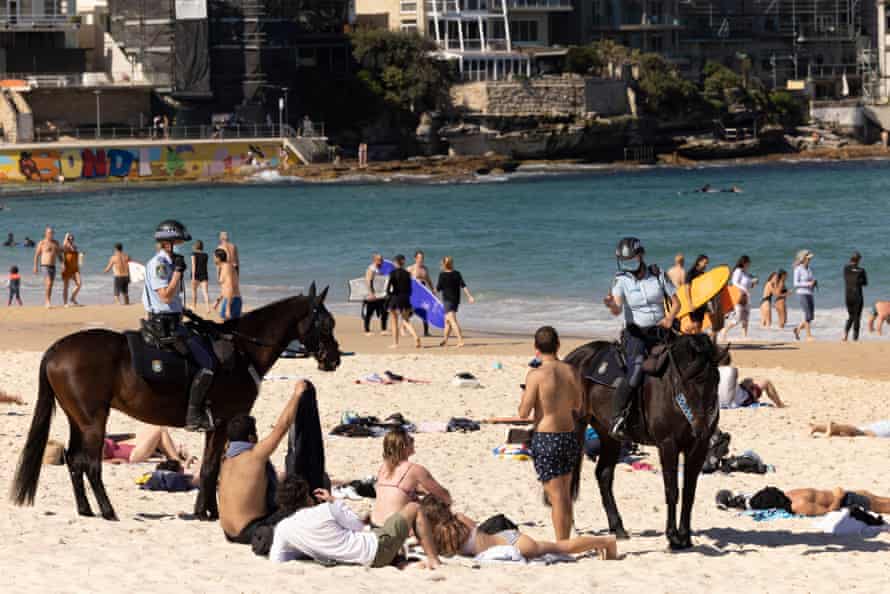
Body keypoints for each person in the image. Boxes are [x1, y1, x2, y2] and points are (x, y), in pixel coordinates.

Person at [220, 380, 324, 544]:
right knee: (297, 503)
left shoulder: (225, 459)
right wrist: (297, 394)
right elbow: (282, 426)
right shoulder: (254, 454)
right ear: (251, 438)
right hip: (251, 531)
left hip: (228, 532)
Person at [269, 475, 442, 569]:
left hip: (354, 561)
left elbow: (277, 559)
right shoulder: (327, 509)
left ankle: (403, 558)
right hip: (376, 550)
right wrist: (334, 501)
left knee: (388, 525)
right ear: (307, 497)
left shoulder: (283, 528)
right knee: (413, 507)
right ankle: (434, 560)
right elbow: (358, 527)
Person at [143, 220, 216, 431]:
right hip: (164, 324)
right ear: (167, 244)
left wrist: (186, 311)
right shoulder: (159, 264)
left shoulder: (167, 263)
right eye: (177, 242)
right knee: (206, 363)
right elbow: (165, 296)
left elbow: (172, 300)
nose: (179, 247)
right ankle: (193, 416)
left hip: (174, 318)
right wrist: (177, 272)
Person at [604, 238, 680, 439]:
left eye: (631, 258)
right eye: (624, 260)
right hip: (635, 334)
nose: (628, 263)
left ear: (641, 256)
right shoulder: (621, 280)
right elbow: (617, 308)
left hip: (660, 331)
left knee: (682, 364)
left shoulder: (658, 274)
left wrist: (670, 318)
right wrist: (610, 304)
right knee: (636, 368)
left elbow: (676, 302)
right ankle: (618, 418)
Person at [519, 326, 583, 540]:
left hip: (547, 437)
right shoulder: (571, 371)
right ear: (558, 345)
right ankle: (565, 542)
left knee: (557, 496)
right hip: (568, 435)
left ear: (536, 348)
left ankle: (562, 544)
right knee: (564, 494)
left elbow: (524, 412)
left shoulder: (536, 375)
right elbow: (577, 404)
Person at [420, 495, 617, 561]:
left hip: (515, 545)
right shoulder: (461, 519)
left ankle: (606, 541)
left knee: (560, 547)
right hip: (507, 537)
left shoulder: (438, 538)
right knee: (559, 546)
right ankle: (602, 542)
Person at [371, 427, 451, 527]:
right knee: (435, 505)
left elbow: (397, 490)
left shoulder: (383, 468)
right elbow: (445, 496)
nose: (414, 442)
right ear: (404, 446)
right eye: (411, 440)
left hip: (375, 525)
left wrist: (417, 490)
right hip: (395, 530)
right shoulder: (415, 469)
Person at [717, 486, 890, 516]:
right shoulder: (798, 506)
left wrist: (735, 504)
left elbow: (750, 503)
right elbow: (830, 512)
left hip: (846, 494)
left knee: (873, 496)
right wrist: (837, 497)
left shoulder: (788, 495)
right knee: (881, 505)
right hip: (846, 501)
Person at [436, 256, 474, 348]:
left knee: (452, 320)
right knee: (447, 321)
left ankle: (460, 341)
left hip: (448, 300)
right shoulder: (457, 273)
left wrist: (430, 292)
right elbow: (463, 286)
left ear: (444, 264)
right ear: (452, 263)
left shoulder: (442, 275)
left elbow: (438, 288)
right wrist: (469, 296)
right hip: (455, 300)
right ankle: (445, 340)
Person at [103, 425, 191, 465]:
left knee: (151, 427)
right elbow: (96, 459)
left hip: (124, 447)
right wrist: (114, 460)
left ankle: (173, 451)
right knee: (160, 430)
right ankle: (177, 461)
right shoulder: (91, 444)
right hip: (131, 455)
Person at [386, 254, 420, 349]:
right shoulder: (407, 273)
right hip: (405, 298)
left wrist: (389, 296)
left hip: (395, 298)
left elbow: (388, 288)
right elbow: (410, 289)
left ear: (395, 262)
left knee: (394, 322)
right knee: (405, 320)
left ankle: (395, 343)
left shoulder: (392, 273)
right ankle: (415, 336)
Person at [721, 255, 757, 340]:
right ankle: (724, 331)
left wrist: (753, 283)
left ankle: (745, 336)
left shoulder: (745, 273)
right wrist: (744, 289)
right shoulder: (738, 271)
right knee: (738, 318)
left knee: (746, 317)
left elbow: (748, 285)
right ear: (744, 263)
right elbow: (734, 283)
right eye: (748, 263)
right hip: (739, 296)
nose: (749, 265)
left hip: (746, 296)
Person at [717, 366, 784, 409]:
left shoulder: (711, 370)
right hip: (739, 402)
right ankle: (780, 405)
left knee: (746, 381)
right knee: (766, 382)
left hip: (718, 403)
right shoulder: (732, 370)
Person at [33, 226, 62, 308]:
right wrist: (35, 266)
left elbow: (59, 255)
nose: (51, 234)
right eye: (49, 232)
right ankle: (47, 301)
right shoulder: (42, 243)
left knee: (50, 284)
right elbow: (36, 255)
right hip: (44, 265)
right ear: (46, 233)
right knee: (49, 283)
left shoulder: (56, 243)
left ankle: (47, 300)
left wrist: (63, 263)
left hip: (53, 266)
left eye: (52, 232)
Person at [407, 250, 433, 337]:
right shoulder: (411, 268)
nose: (421, 260)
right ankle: (403, 328)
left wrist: (433, 290)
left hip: (423, 292)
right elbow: (404, 280)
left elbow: (428, 280)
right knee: (410, 312)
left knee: (425, 311)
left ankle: (426, 332)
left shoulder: (425, 269)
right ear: (415, 258)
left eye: (422, 258)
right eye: (419, 258)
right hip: (413, 293)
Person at [843, 251, 867, 342]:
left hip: (848, 296)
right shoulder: (862, 270)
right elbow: (865, 283)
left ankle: (845, 335)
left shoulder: (846, 269)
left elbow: (847, 279)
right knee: (857, 317)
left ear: (851, 259)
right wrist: (859, 280)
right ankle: (855, 338)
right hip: (858, 296)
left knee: (851, 316)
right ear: (859, 260)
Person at [792, 250, 817, 341]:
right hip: (801, 293)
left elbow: (810, 280)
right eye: (809, 258)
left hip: (810, 293)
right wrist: (809, 284)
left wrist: (813, 283)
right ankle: (808, 336)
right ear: (804, 258)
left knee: (811, 316)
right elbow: (795, 284)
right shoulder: (798, 269)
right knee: (807, 314)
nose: (810, 259)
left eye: (810, 258)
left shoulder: (809, 269)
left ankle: (797, 329)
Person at [362, 253, 388, 335]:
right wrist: (371, 293)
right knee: (369, 313)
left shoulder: (382, 269)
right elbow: (368, 282)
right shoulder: (371, 269)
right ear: (374, 260)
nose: (380, 262)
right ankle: (367, 330)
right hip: (372, 294)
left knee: (384, 312)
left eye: (381, 260)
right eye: (379, 260)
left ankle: (383, 329)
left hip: (381, 294)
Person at [213, 248, 242, 320]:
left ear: (218, 258)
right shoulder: (226, 267)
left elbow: (230, 286)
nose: (213, 259)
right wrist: (218, 300)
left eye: (214, 257)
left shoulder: (226, 267)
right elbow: (225, 287)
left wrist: (228, 308)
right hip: (235, 299)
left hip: (232, 300)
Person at [685, 254, 709, 333]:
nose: (706, 265)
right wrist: (689, 303)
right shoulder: (691, 273)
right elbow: (687, 288)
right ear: (699, 262)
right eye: (705, 263)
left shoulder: (703, 274)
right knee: (695, 324)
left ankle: (695, 343)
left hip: (701, 303)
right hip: (693, 302)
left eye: (707, 263)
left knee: (699, 325)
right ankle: (686, 330)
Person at [61, 232, 82, 307]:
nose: (71, 240)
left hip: (75, 269)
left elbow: (77, 257)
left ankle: (72, 298)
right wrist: (66, 236)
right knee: (66, 286)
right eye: (69, 239)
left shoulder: (75, 247)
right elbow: (63, 247)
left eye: (72, 238)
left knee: (79, 284)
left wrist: (79, 265)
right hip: (67, 268)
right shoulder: (65, 246)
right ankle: (65, 303)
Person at [809, 420, 890, 438]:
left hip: (876, 425)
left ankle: (819, 428)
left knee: (840, 433)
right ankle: (834, 427)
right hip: (877, 430)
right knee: (861, 433)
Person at [191, 240, 211, 313]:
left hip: (196, 274)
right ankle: (208, 308)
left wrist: (193, 277)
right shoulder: (206, 255)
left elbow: (193, 265)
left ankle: (194, 306)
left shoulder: (193, 254)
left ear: (195, 246)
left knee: (194, 291)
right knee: (205, 292)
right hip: (204, 274)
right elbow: (205, 265)